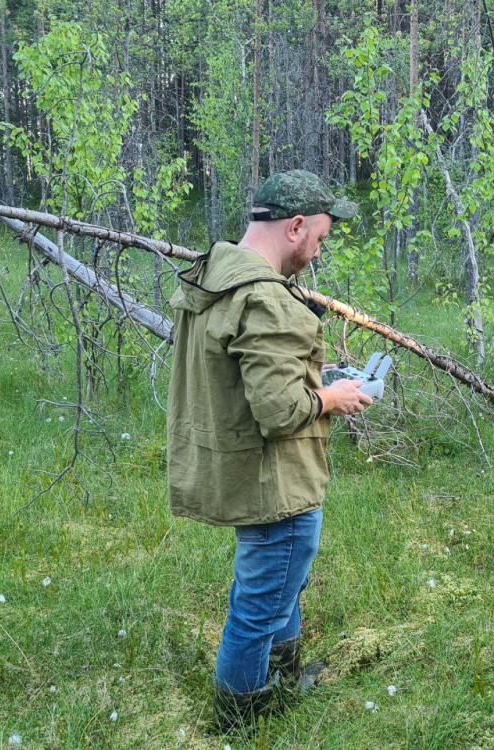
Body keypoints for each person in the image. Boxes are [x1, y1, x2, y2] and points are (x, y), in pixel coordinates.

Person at [166, 170, 373, 731]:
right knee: (259, 605)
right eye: (321, 239)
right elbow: (280, 411)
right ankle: (239, 721)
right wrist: (330, 397)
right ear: (296, 226)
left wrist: (314, 374)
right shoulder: (266, 298)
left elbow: (241, 374)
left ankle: (281, 682)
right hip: (274, 482)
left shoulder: (217, 274)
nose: (317, 252)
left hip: (241, 472)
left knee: (280, 584)